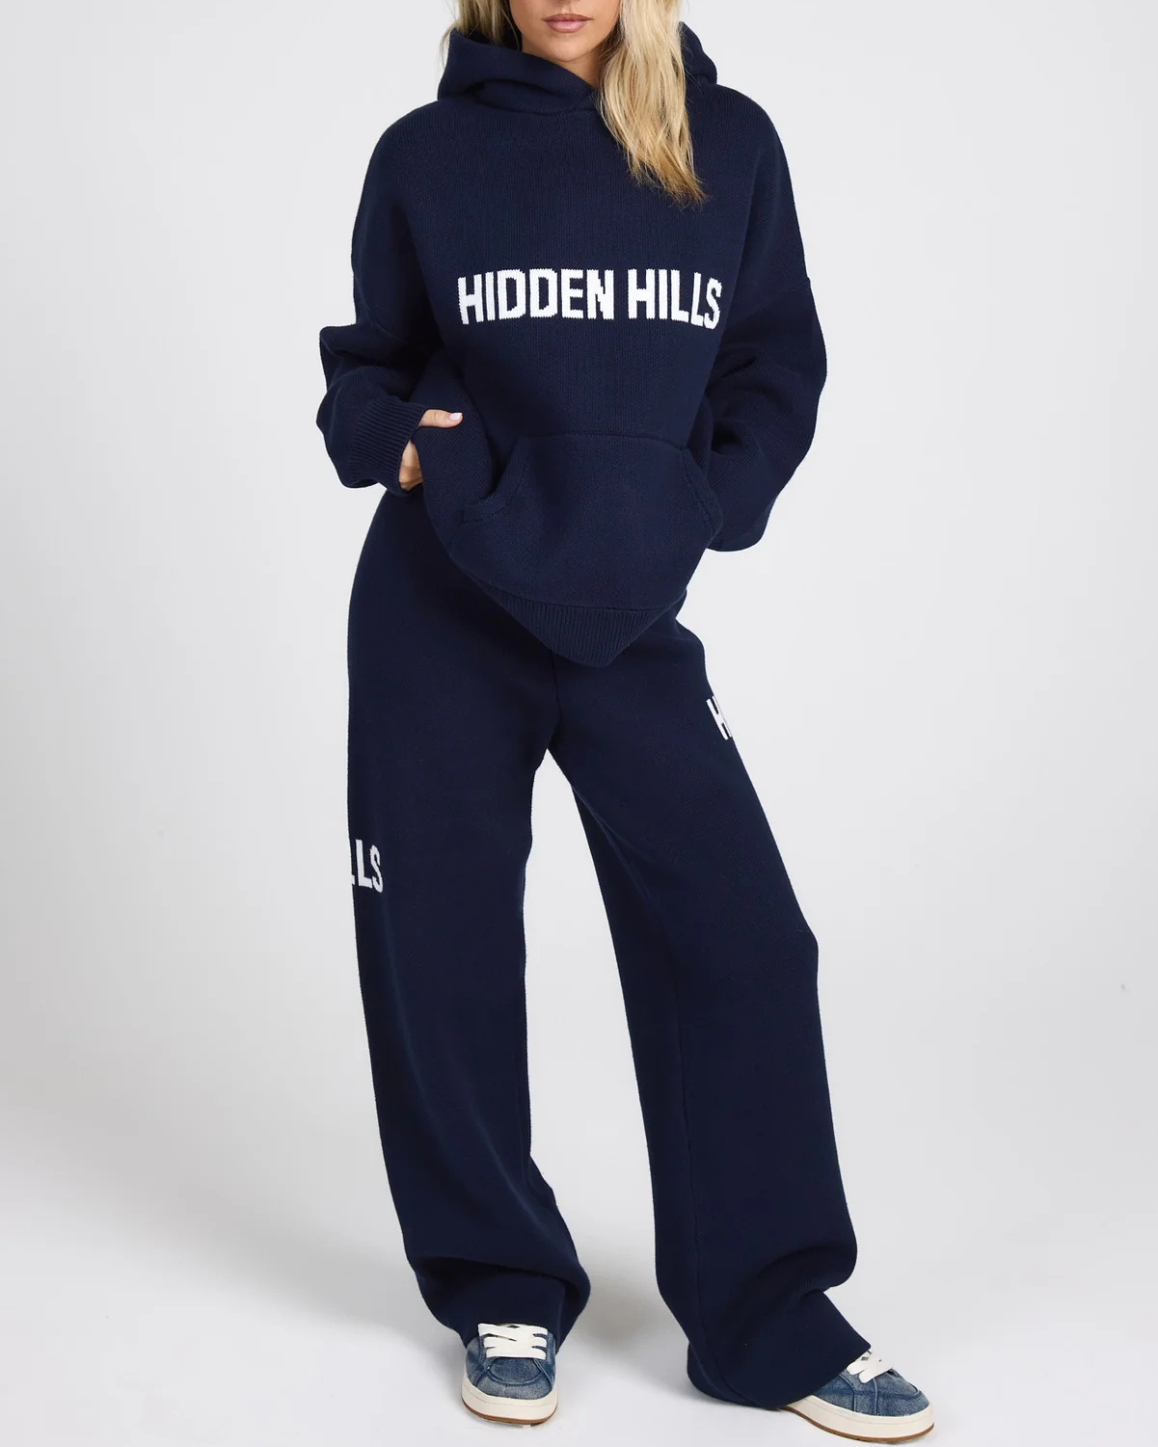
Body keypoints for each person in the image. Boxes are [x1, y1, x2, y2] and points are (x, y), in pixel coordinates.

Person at [315, 1, 935, 1438]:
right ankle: (500, 1283)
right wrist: (407, 449)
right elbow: (369, 364)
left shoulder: (728, 145)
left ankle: (767, 1316)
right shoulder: (427, 155)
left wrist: (699, 500)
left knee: (743, 941)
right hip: (437, 610)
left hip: (628, 617)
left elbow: (774, 362)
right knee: (443, 954)